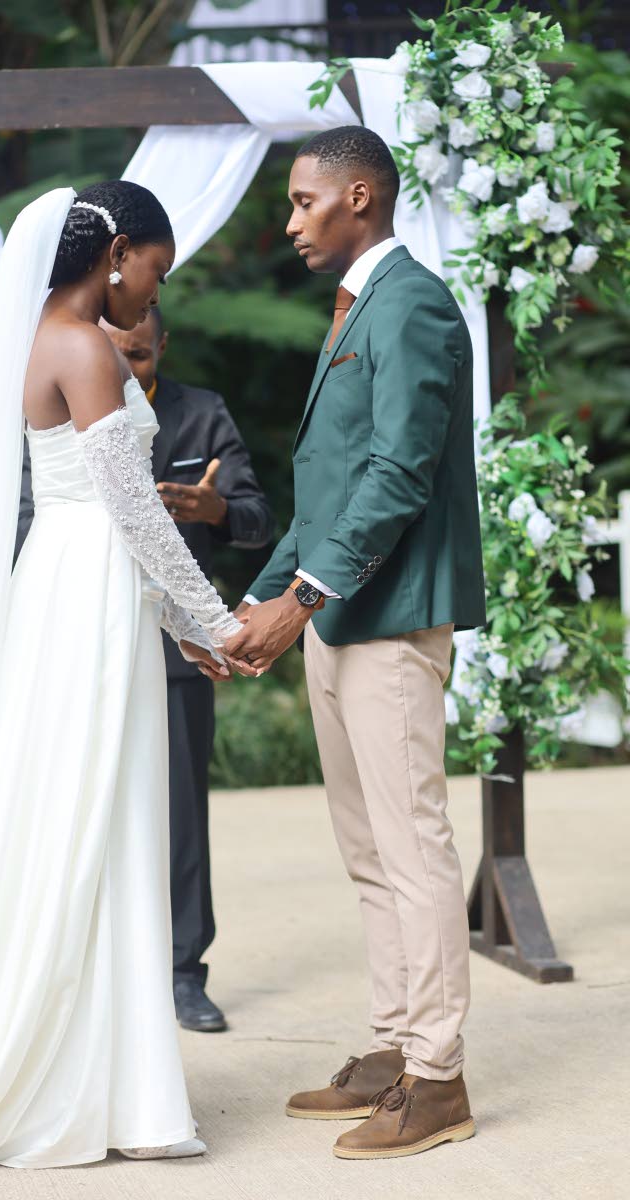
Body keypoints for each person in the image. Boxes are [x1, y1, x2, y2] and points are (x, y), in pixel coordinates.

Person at [0, 181, 256, 1200]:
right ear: (117, 255)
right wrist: (220, 623)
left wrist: (178, 628)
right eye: (156, 265)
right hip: (86, 596)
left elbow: (106, 525)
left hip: (78, 583)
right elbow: (136, 517)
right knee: (84, 825)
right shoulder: (86, 347)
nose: (157, 288)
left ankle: (112, 1085)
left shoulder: (42, 339)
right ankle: (81, 1085)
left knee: (93, 826)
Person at [225, 126, 486, 1161]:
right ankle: (390, 1050)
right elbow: (325, 488)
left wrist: (305, 596)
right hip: (336, 616)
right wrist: (253, 605)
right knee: (370, 852)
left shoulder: (412, 303)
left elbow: (396, 474)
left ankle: (438, 1078)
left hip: (386, 619)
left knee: (412, 848)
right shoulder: (354, 310)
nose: (290, 224)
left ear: (361, 197)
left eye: (302, 202)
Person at [16, 308, 273, 1033]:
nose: (126, 367)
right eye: (116, 353)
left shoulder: (202, 414)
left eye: (139, 352)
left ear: (163, 343)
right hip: (90, 630)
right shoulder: (64, 396)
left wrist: (216, 508)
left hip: (177, 650)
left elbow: (261, 518)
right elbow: (30, 513)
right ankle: (91, 971)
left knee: (182, 814)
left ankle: (185, 974)